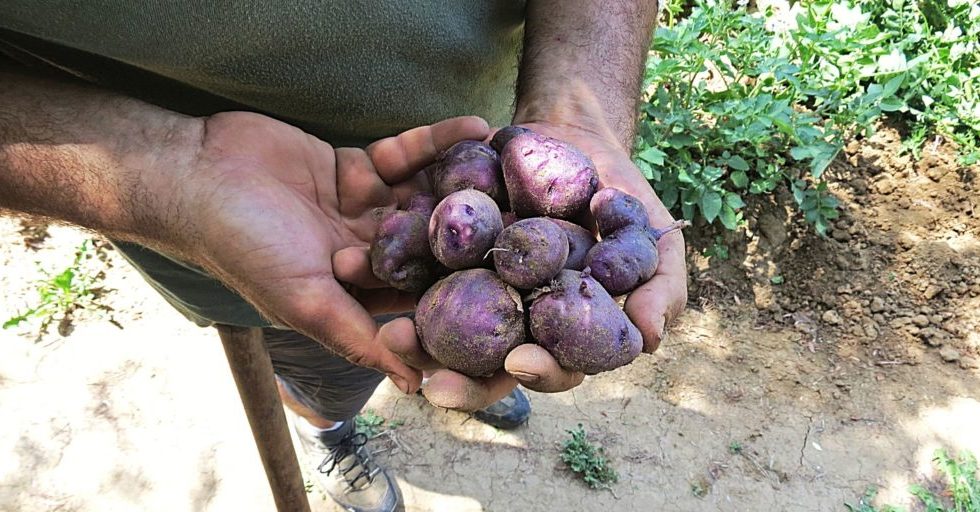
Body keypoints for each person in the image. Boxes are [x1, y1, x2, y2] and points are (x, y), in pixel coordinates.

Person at [0, 2, 687, 511]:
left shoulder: (516, 204)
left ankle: (439, 386)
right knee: (320, 366)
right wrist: (169, 169)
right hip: (246, 214)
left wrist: (577, 107)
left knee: (425, 348)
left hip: (475, 130)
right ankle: (330, 434)